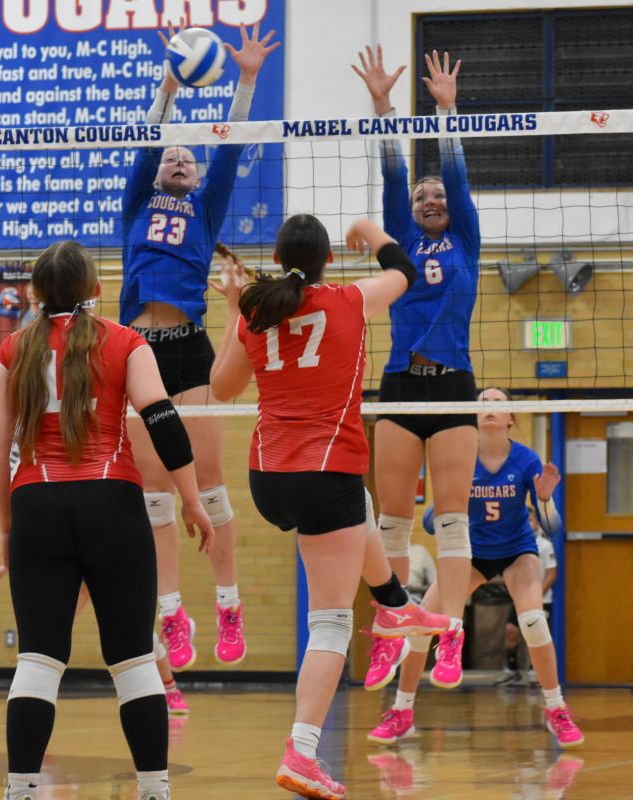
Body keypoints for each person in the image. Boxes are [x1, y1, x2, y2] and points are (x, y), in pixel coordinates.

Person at [210, 214, 449, 800]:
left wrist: (237, 308)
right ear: (329, 262)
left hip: (267, 478)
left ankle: (394, 605)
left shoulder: (256, 311)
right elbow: (404, 270)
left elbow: (220, 390)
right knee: (333, 623)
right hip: (324, 471)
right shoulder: (347, 298)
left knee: (359, 509)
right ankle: (302, 752)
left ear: (278, 254)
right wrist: (370, 228)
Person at [0, 240, 214, 800]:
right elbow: (162, 420)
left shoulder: (12, 348)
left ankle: (20, 789)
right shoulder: (126, 342)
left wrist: (8, 525)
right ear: (96, 291)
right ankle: (154, 789)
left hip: (37, 500)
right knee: (133, 658)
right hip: (112, 500)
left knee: (38, 659)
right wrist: (191, 498)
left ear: (35, 294)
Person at [120, 19, 280, 671]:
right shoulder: (137, 203)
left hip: (188, 347)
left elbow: (233, 149)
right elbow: (148, 140)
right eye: (172, 156)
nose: (180, 158)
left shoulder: (206, 210)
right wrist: (168, 88)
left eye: (190, 155)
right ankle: (171, 616)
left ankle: (230, 603)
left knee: (209, 485)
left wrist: (245, 79)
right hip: (134, 353)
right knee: (154, 493)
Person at [352, 46, 480, 688]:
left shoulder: (466, 238)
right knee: (393, 521)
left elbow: (455, 178)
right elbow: (391, 174)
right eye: (422, 194)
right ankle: (392, 625)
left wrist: (446, 112)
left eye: (438, 194)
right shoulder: (401, 235)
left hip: (454, 386)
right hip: (400, 385)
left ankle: (449, 633)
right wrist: (382, 105)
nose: (431, 197)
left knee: (452, 518)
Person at [368, 388, 584, 750]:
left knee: (533, 621)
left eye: (498, 403)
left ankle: (556, 709)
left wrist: (544, 499)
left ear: (511, 418)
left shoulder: (527, 460)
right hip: (470, 554)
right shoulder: (459, 458)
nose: (488, 407)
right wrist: (446, 510)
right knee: (421, 623)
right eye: (482, 401)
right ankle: (401, 712)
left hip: (517, 551)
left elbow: (552, 527)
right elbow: (430, 522)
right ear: (472, 412)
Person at [0, 570, 190, 717]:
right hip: (82, 579)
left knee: (144, 639)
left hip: (115, 576)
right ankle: (38, 698)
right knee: (51, 636)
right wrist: (6, 566)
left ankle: (171, 690)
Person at [502, 507, 558, 684]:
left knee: (536, 633)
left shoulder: (544, 545)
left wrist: (535, 594)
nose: (527, 523)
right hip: (519, 597)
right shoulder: (512, 544)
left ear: (536, 522)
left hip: (541, 598)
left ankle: (536, 674)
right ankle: (512, 671)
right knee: (510, 631)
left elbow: (552, 574)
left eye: (530, 520)